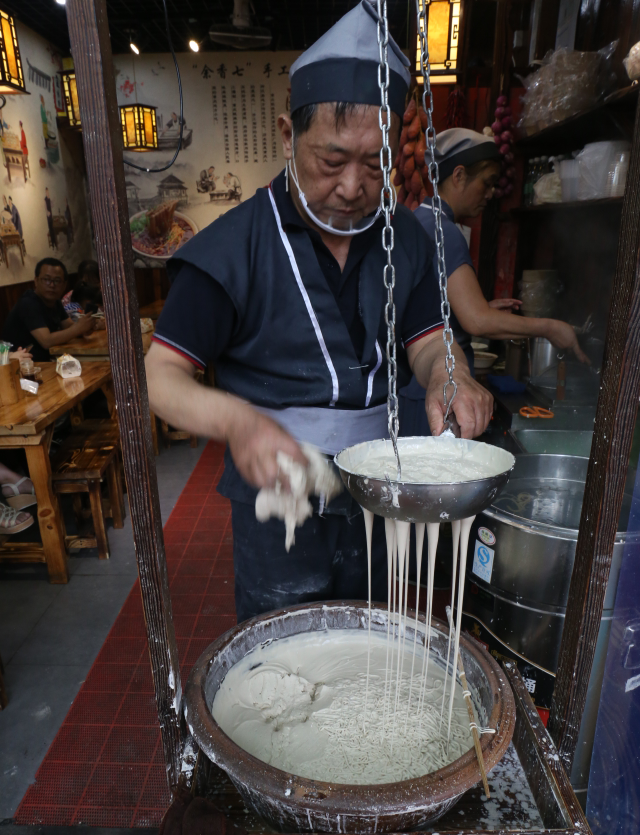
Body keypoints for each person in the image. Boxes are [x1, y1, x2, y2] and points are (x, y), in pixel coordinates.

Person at [146, 1, 493, 623]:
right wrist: (241, 425)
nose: (355, 186)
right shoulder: (234, 247)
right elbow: (160, 377)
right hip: (279, 488)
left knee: (377, 633)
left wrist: (451, 374)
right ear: (287, 135)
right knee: (283, 648)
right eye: (332, 161)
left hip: (384, 482)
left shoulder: (406, 237)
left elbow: (427, 338)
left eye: (376, 163)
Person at [400, 128, 589, 435]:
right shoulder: (444, 231)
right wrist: (551, 327)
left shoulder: (420, 219)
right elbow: (477, 322)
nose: (490, 195)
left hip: (420, 391)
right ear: (458, 175)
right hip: (441, 395)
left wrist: (480, 305)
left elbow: (435, 306)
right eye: (487, 183)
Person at [3, 258, 94, 363]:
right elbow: (46, 341)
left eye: (57, 281)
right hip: (20, 366)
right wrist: (78, 329)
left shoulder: (55, 301)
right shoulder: (28, 303)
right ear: (36, 281)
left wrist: (85, 327)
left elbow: (69, 326)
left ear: (64, 285)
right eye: (46, 279)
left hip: (45, 361)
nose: (51, 285)